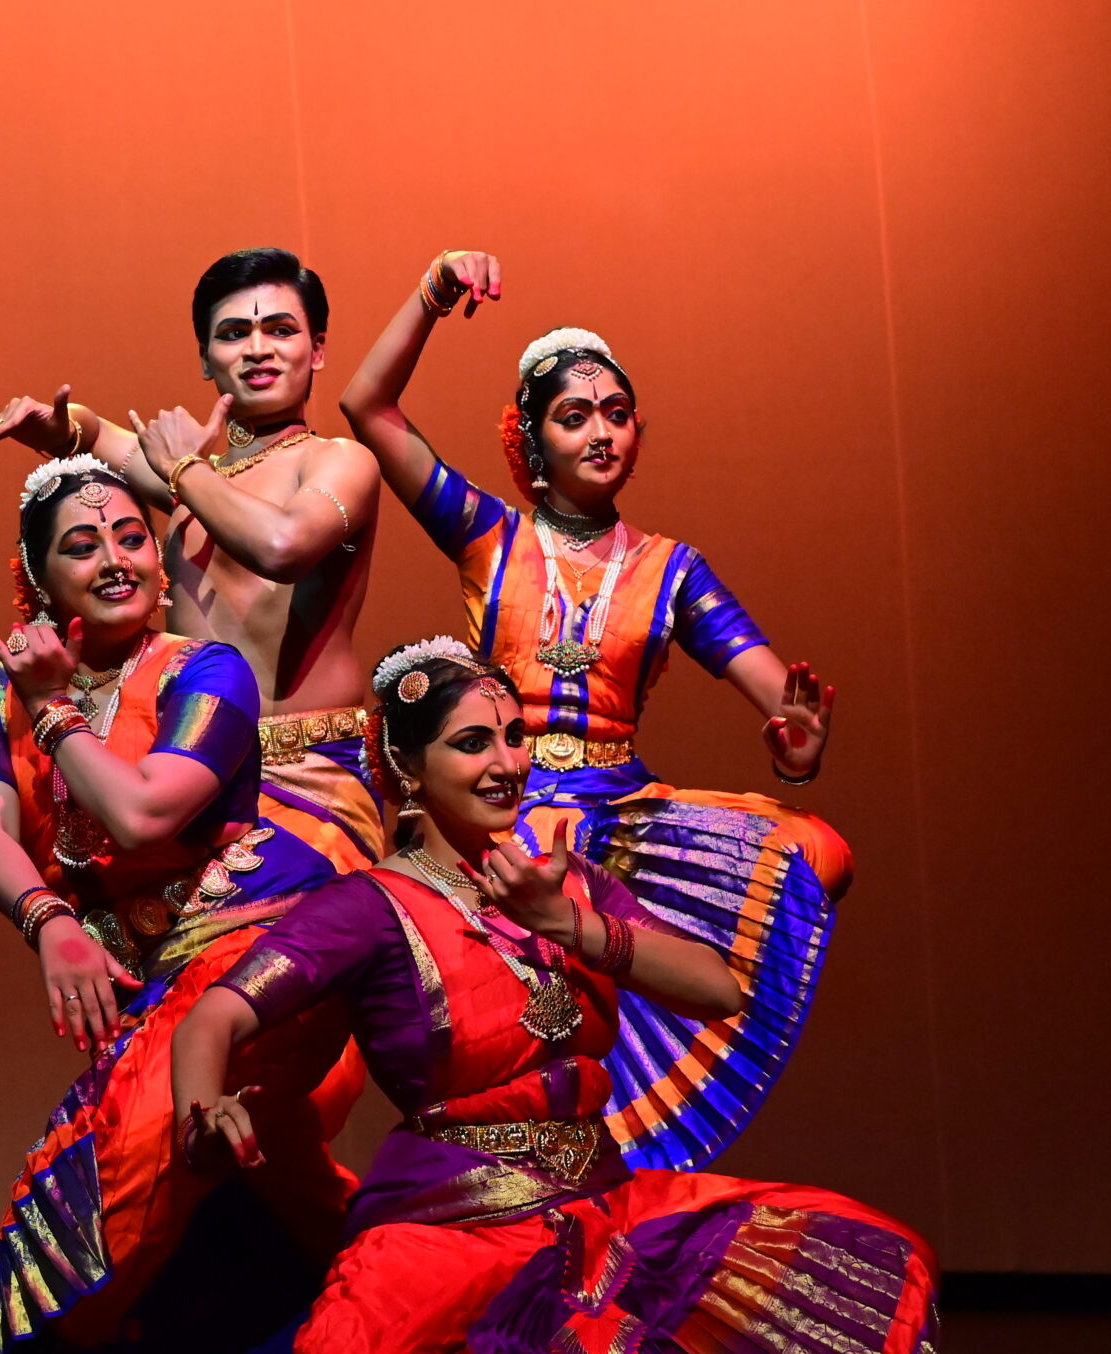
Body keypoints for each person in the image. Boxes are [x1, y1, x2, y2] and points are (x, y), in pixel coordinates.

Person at [170, 644, 950, 1354]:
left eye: (515, 736)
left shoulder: (565, 880)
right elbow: (215, 1016)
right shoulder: (367, 907)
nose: (507, 762)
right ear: (407, 764)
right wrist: (201, 1113)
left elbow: (717, 987)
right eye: (473, 743)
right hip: (449, 1228)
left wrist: (572, 925)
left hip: (597, 1209)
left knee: (852, 1263)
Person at [338, 252, 849, 1173]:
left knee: (817, 851)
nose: (601, 431)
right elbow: (367, 407)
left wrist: (799, 750)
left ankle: (621, 1156)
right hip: (505, 804)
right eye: (573, 416)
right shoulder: (490, 537)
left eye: (616, 413)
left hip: (621, 814)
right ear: (532, 444)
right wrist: (434, 291)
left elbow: (782, 700)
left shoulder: (671, 569)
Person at [0, 455, 366, 1354]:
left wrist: (54, 711)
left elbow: (143, 813)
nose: (115, 558)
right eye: (82, 545)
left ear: (162, 567)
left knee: (125, 1150)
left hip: (253, 960)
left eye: (131, 536)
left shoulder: (207, 673)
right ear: (36, 581)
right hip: (145, 980)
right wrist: (46, 918)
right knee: (286, 1190)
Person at [0, 248, 386, 881]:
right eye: (234, 333)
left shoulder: (337, 461)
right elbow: (98, 437)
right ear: (205, 359)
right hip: (187, 774)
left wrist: (183, 469)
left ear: (317, 349)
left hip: (309, 783)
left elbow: (283, 546)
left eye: (280, 330)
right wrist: (61, 429)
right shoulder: (198, 481)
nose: (258, 349)